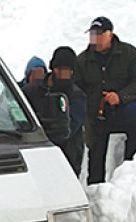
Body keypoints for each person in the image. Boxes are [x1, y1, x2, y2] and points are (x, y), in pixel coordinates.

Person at [75, 16, 136, 184]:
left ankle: (130, 171)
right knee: (95, 156)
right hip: (96, 115)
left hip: (121, 109)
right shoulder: (82, 60)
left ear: (110, 35)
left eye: (99, 34)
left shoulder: (129, 53)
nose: (95, 39)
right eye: (92, 34)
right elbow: (77, 90)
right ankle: (96, 189)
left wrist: (120, 96)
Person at [47, 46, 87, 176]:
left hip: (69, 155)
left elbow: (68, 129)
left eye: (68, 71)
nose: (64, 75)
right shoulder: (35, 90)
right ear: (53, 69)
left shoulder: (77, 96)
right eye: (61, 70)